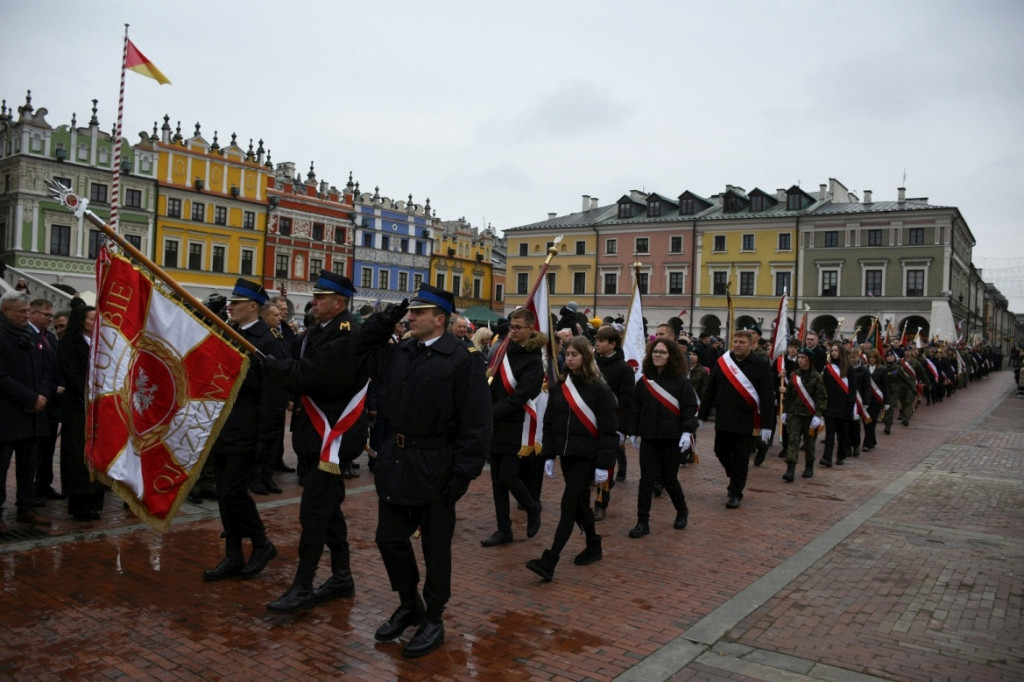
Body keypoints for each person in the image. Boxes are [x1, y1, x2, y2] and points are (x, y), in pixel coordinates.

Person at [357, 284, 491, 659]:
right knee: (389, 539)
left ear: (440, 319)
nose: (410, 317)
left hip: (437, 466)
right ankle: (408, 603)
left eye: (418, 312)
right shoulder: (401, 351)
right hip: (397, 462)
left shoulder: (462, 358)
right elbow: (365, 347)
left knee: (436, 550)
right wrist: (388, 315)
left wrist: (462, 475)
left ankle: (433, 617)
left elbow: (477, 423)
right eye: (409, 312)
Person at [261, 271, 368, 613]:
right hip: (316, 436)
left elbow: (316, 375)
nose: (314, 302)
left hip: (333, 437)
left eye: (320, 298)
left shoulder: (348, 334)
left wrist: (272, 367)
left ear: (339, 303)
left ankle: (303, 584)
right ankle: (341, 576)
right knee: (329, 508)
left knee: (314, 512)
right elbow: (298, 364)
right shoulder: (319, 331)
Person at [200, 280, 290, 582]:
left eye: (237, 303)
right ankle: (234, 555)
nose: (231, 306)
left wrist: (267, 440)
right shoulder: (231, 334)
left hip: (249, 430)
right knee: (225, 496)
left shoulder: (269, 340)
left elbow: (273, 396)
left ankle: (262, 544)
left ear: (253, 306)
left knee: (231, 490)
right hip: (224, 426)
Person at [526, 337, 617, 581]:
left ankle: (550, 560)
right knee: (578, 505)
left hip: (588, 457)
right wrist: (548, 454)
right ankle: (594, 543)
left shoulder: (599, 389)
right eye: (567, 354)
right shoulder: (560, 386)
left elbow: (609, 430)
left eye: (575, 354)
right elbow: (551, 422)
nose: (569, 358)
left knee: (568, 505)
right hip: (566, 455)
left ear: (586, 357)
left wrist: (604, 465)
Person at [481, 308, 544, 547]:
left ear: (530, 329)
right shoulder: (502, 351)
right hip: (496, 423)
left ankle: (532, 506)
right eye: (511, 327)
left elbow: (520, 396)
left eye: (518, 328)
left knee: (508, 475)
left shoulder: (533, 360)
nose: (514, 332)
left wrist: (490, 413)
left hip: (517, 424)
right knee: (497, 481)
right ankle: (503, 529)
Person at [626, 338, 699, 534]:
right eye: (655, 351)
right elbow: (636, 407)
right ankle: (643, 522)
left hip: (672, 439)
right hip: (649, 438)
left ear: (671, 356)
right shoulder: (644, 381)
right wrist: (632, 431)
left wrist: (687, 431)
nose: (658, 355)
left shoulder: (682, 382)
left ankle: (682, 511)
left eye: (663, 352)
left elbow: (690, 409)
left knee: (669, 478)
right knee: (646, 480)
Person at [697, 330, 774, 508]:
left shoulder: (761, 365)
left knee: (741, 457)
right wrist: (703, 414)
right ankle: (735, 475)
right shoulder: (723, 362)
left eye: (742, 342)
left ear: (750, 344)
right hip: (724, 418)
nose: (738, 345)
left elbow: (767, 396)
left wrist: (766, 425)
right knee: (720, 451)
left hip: (746, 421)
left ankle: (735, 492)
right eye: (735, 341)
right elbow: (711, 389)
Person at [0, 291, 55, 529]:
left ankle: (26, 508)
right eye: (20, 311)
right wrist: (31, 397)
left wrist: (42, 395)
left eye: (26, 311)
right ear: (6, 312)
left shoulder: (33, 336)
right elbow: (1, 377)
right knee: (1, 468)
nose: (26, 315)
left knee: (28, 466)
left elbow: (46, 370)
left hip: (34, 415)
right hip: (7, 415)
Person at [57, 305, 105, 520]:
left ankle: (94, 501)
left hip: (100, 407)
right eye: (92, 319)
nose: (96, 322)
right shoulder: (68, 344)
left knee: (97, 454)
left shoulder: (103, 344)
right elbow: (70, 373)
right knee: (78, 454)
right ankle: (78, 504)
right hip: (78, 406)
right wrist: (88, 393)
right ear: (81, 321)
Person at [594, 325, 633, 518]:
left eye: (601, 341)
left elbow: (627, 401)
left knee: (606, 464)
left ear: (612, 344)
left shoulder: (623, 368)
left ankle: (601, 503)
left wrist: (622, 429)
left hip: (611, 423)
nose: (597, 344)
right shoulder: (592, 363)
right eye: (597, 340)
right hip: (591, 421)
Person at [28, 298, 65, 502]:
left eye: (51, 315)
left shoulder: (49, 337)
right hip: (38, 401)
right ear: (33, 313)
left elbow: (54, 366)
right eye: (46, 315)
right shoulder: (29, 335)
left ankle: (44, 484)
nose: (49, 319)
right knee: (35, 450)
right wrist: (50, 389)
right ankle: (31, 489)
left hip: (52, 404)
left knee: (49, 448)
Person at [779, 348, 827, 481]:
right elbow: (789, 395)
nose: (800, 360)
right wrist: (784, 412)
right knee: (792, 441)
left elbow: (821, 398)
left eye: (803, 357)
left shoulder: (817, 377)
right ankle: (790, 470)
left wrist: (818, 415)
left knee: (809, 442)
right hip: (794, 413)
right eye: (799, 357)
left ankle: (809, 466)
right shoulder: (794, 375)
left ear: (809, 360)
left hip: (809, 416)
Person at [820, 342, 855, 467]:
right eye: (832, 351)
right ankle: (827, 458)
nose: (834, 352)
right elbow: (823, 387)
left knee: (842, 434)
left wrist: (850, 406)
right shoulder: (828, 369)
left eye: (836, 350)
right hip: (830, 405)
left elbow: (852, 389)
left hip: (844, 405)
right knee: (829, 433)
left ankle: (841, 456)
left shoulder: (849, 369)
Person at [862, 349, 889, 451]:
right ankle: (872, 440)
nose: (872, 360)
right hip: (866, 399)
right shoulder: (865, 369)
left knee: (872, 421)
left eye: (874, 358)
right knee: (865, 420)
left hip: (876, 399)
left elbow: (886, 386)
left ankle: (866, 443)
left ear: (877, 359)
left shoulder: (882, 370)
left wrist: (886, 401)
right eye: (870, 358)